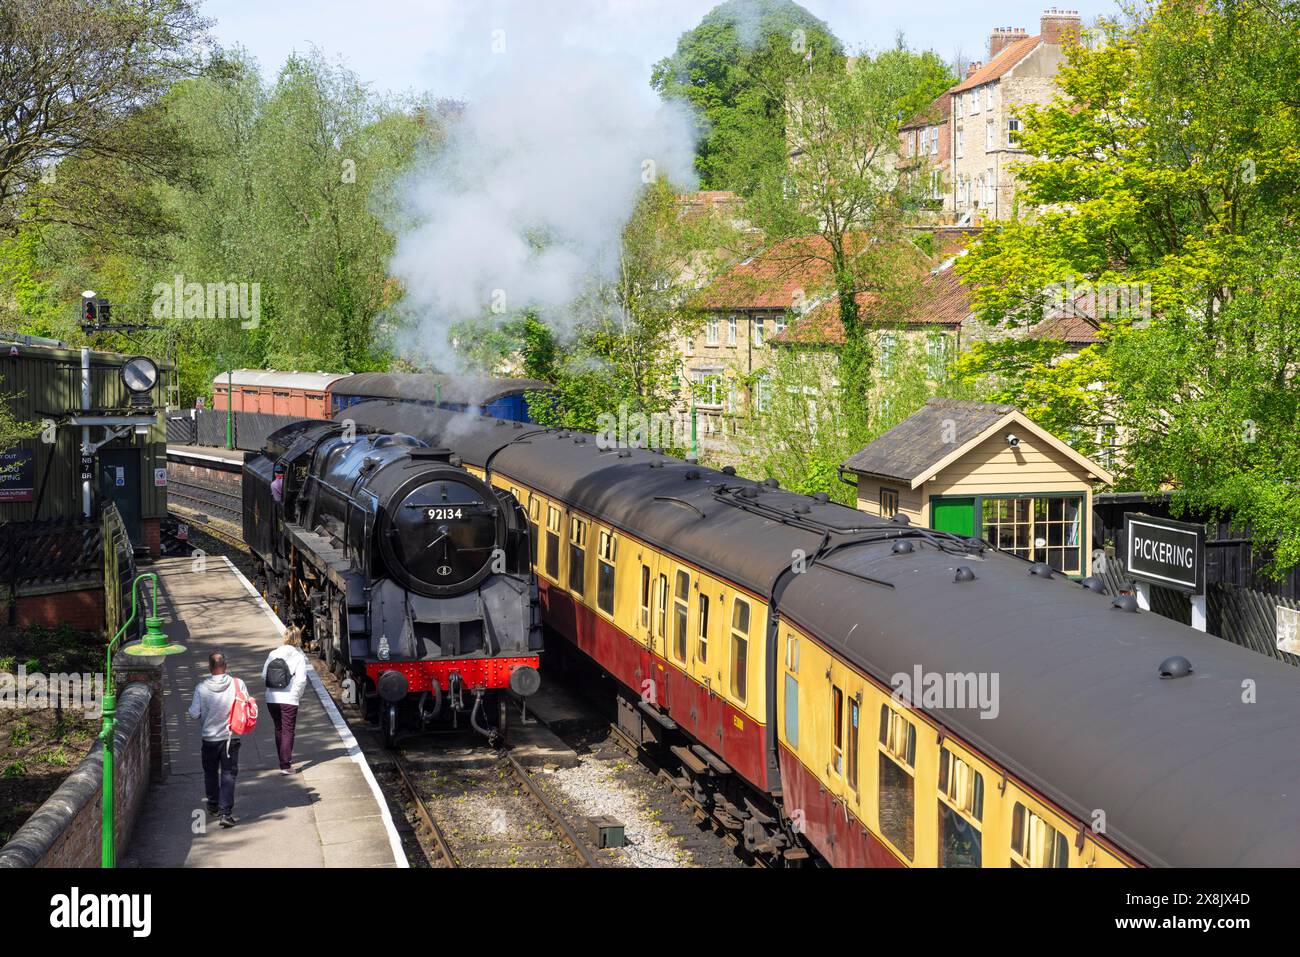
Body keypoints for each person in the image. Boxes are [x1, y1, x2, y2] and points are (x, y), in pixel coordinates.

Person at [186, 652, 247, 828]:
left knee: (210, 772)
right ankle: (225, 813)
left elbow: (194, 713)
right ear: (225, 666)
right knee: (229, 775)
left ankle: (213, 804)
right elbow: (245, 705)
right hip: (231, 737)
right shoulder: (238, 684)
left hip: (209, 738)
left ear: (209, 668)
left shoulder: (201, 688)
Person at [262, 627, 309, 773]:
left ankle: (282, 759)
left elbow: (264, 675)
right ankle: (285, 765)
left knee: (279, 728)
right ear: (298, 639)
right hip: (289, 698)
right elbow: (301, 680)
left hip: (272, 698)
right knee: (288, 730)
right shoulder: (299, 656)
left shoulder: (273, 653)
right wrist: (296, 694)